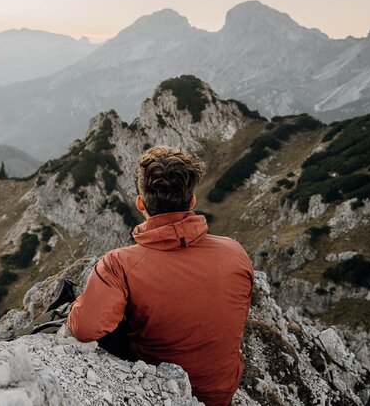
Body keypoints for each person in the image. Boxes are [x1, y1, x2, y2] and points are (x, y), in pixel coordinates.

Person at [66, 145, 254, 406]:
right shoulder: (235, 252)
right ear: (192, 202)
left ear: (140, 203)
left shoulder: (118, 264)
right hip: (220, 393)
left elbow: (84, 328)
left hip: (161, 390)